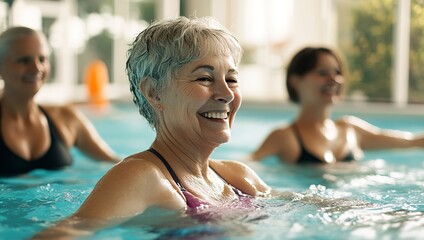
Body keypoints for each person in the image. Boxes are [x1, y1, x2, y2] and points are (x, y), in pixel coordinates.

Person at [33, 16, 270, 238]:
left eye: (231, 79)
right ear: (154, 93)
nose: (227, 94)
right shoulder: (141, 177)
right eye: (205, 78)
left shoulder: (239, 177)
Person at [251, 47, 424, 164]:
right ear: (296, 81)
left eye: (337, 73)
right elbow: (246, 167)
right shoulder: (284, 137)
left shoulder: (351, 129)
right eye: (322, 73)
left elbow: (411, 142)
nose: (334, 80)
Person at [0, 26, 120, 176]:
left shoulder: (65, 119)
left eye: (42, 59)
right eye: (24, 60)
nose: (37, 68)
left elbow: (116, 163)